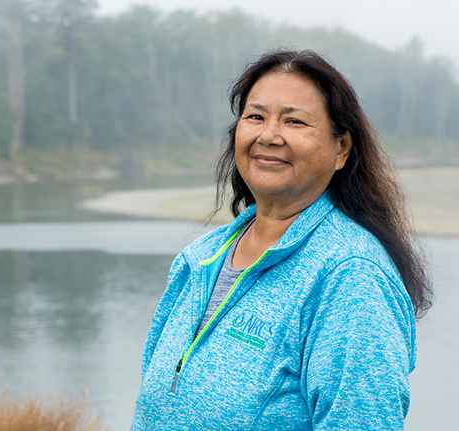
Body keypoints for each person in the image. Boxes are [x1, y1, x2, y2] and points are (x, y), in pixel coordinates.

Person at [129, 49, 433, 431]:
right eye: (255, 117)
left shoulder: (350, 275)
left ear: (341, 148)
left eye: (294, 121)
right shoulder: (200, 258)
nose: (268, 135)